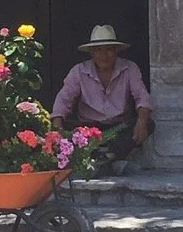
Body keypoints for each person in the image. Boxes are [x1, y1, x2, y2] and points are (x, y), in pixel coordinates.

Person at [51, 25, 154, 175]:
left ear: (116, 51)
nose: (104, 55)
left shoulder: (129, 68)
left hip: (118, 126)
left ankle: (104, 159)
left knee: (148, 124)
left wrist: (141, 121)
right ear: (92, 53)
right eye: (98, 50)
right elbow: (63, 99)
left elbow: (142, 96)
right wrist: (58, 129)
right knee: (65, 129)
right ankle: (108, 162)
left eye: (109, 49)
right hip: (88, 128)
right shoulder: (79, 71)